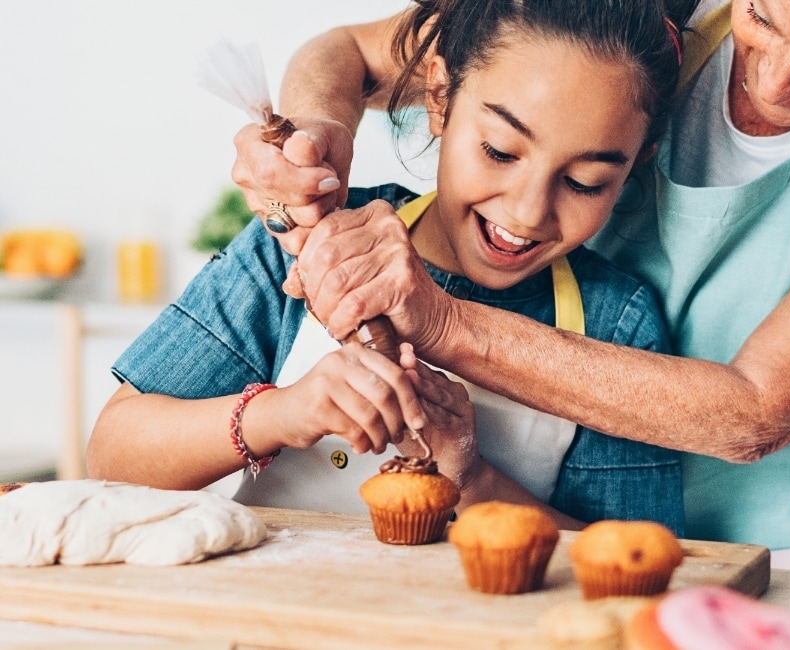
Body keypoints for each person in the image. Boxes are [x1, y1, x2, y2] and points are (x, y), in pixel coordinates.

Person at [229, 0, 790, 584]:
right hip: (606, 526)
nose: (776, 79)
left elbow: (755, 412)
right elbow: (350, 52)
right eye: (762, 17)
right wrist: (314, 139)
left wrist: (437, 321)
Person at [87, 0, 693, 534]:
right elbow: (113, 456)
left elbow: (633, 560)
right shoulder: (311, 238)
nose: (528, 212)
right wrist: (283, 412)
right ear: (439, 97)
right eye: (499, 151)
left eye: (586, 181)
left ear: (637, 164)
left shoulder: (617, 323)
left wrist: (471, 476)